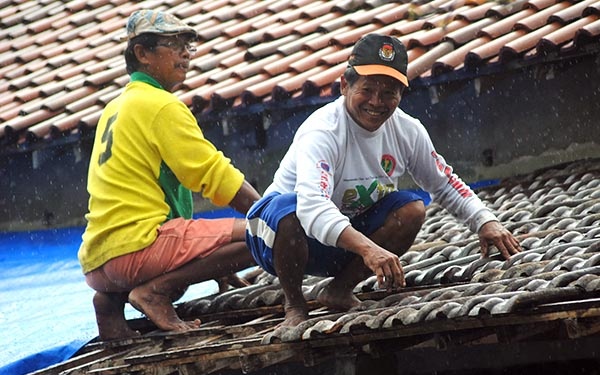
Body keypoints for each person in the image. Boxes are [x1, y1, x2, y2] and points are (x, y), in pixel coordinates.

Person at [245, 33, 522, 327]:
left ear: (401, 95)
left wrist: (485, 221)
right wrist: (368, 249)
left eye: (389, 92)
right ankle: (295, 304)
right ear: (344, 86)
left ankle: (338, 289)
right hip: (279, 241)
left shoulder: (407, 130)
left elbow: (442, 182)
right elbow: (311, 207)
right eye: (367, 89)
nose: (377, 102)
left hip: (342, 244)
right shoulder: (322, 131)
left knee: (412, 209)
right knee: (289, 211)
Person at [78, 10, 261, 341]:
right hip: (138, 248)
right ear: (142, 54)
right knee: (267, 236)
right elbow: (213, 174)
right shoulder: (159, 104)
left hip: (100, 262)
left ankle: (109, 303)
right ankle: (155, 292)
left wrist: (221, 268)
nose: (185, 53)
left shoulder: (115, 107)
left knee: (215, 238)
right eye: (173, 45)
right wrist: (269, 215)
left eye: (187, 45)